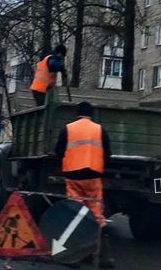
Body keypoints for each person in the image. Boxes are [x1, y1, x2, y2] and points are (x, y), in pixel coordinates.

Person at [54, 101, 114, 268]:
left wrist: (64, 165)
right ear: (91, 114)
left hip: (73, 177)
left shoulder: (68, 128)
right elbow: (108, 154)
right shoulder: (99, 130)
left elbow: (58, 151)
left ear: (77, 113)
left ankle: (75, 257)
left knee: (76, 215)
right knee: (96, 215)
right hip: (93, 178)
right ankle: (104, 257)